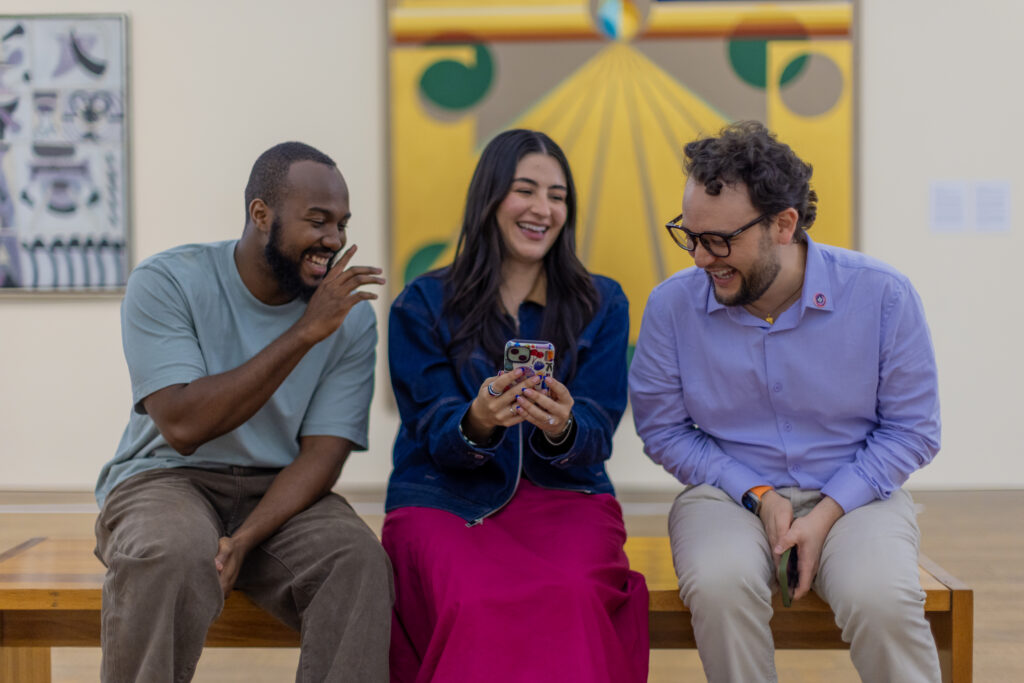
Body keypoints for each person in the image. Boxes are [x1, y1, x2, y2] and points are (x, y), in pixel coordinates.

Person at [629, 121, 942, 682]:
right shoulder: (672, 307)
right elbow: (664, 431)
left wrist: (827, 511)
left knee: (882, 600)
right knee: (720, 586)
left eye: (720, 240)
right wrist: (759, 494)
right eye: (691, 236)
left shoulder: (883, 295)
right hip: (726, 494)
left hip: (857, 496)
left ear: (783, 224)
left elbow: (913, 430)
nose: (701, 259)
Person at [94, 142, 394, 682]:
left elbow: (323, 454)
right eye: (318, 221)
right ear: (261, 214)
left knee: (358, 562)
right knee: (168, 552)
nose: (334, 239)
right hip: (166, 479)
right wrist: (304, 333)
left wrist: (247, 538)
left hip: (281, 492)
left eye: (343, 224)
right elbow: (184, 426)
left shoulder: (348, 319)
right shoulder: (168, 282)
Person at [383, 129, 649, 683]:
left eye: (558, 196)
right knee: (473, 601)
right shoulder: (422, 304)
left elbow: (600, 425)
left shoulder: (602, 302)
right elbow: (430, 423)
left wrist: (563, 428)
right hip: (448, 502)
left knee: (575, 592)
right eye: (525, 190)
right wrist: (477, 423)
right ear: (490, 198)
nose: (542, 209)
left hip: (565, 498)